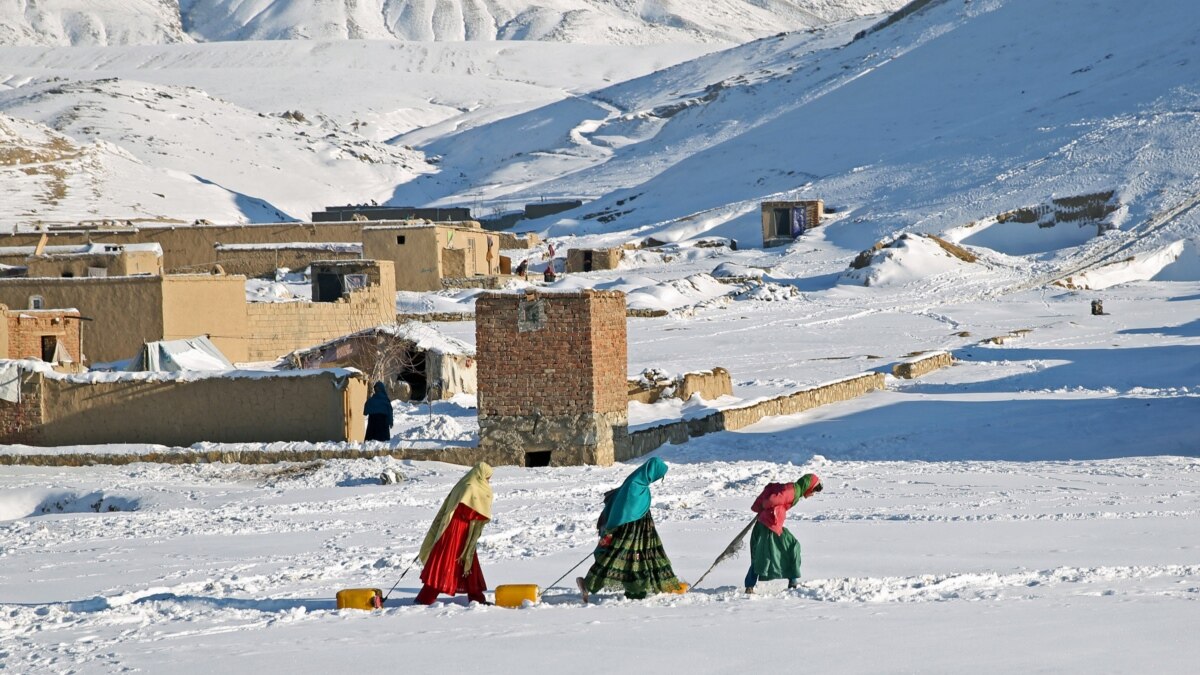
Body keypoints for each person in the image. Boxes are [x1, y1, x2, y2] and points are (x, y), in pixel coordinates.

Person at [577, 457, 681, 602]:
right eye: (659, 475)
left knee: (637, 560)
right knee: (616, 558)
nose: (659, 478)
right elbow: (628, 510)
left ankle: (636, 590)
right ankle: (588, 584)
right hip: (629, 532)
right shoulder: (635, 486)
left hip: (641, 532)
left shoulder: (639, 483)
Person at [415, 462, 494, 605]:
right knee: (446, 561)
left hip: (463, 532)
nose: (488, 481)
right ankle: (425, 598)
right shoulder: (470, 487)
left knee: (468, 562)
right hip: (455, 531)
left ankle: (476, 597)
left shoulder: (465, 483)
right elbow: (466, 511)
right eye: (487, 477)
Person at [744, 473, 822, 594]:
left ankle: (792, 581)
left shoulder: (795, 490)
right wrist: (767, 508)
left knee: (783, 548)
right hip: (768, 526)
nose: (813, 494)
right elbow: (771, 500)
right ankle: (751, 586)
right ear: (808, 486)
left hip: (771, 525)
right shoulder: (792, 491)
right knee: (775, 552)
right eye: (814, 490)